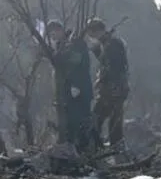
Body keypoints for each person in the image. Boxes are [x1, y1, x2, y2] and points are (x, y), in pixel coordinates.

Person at [47, 20, 94, 152]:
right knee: (69, 124)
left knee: (80, 121)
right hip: (67, 93)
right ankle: (73, 149)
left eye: (54, 32)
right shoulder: (61, 46)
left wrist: (76, 85)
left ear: (61, 30)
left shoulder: (75, 43)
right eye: (51, 35)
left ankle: (84, 150)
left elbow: (78, 66)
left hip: (79, 91)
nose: (53, 36)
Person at [85, 18, 129, 148]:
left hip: (115, 89)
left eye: (93, 34)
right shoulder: (107, 44)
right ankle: (105, 147)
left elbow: (115, 66)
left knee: (110, 121)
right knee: (103, 119)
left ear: (99, 31)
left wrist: (102, 80)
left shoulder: (113, 44)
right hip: (110, 89)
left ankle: (114, 149)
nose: (92, 37)